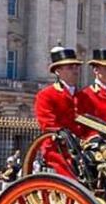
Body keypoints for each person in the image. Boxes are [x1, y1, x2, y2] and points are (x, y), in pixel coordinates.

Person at [33, 45, 85, 177]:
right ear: (58, 71)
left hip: (82, 148)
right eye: (70, 67)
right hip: (58, 148)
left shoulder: (84, 97)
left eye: (76, 67)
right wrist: (69, 137)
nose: (75, 71)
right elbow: (48, 124)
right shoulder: (46, 95)